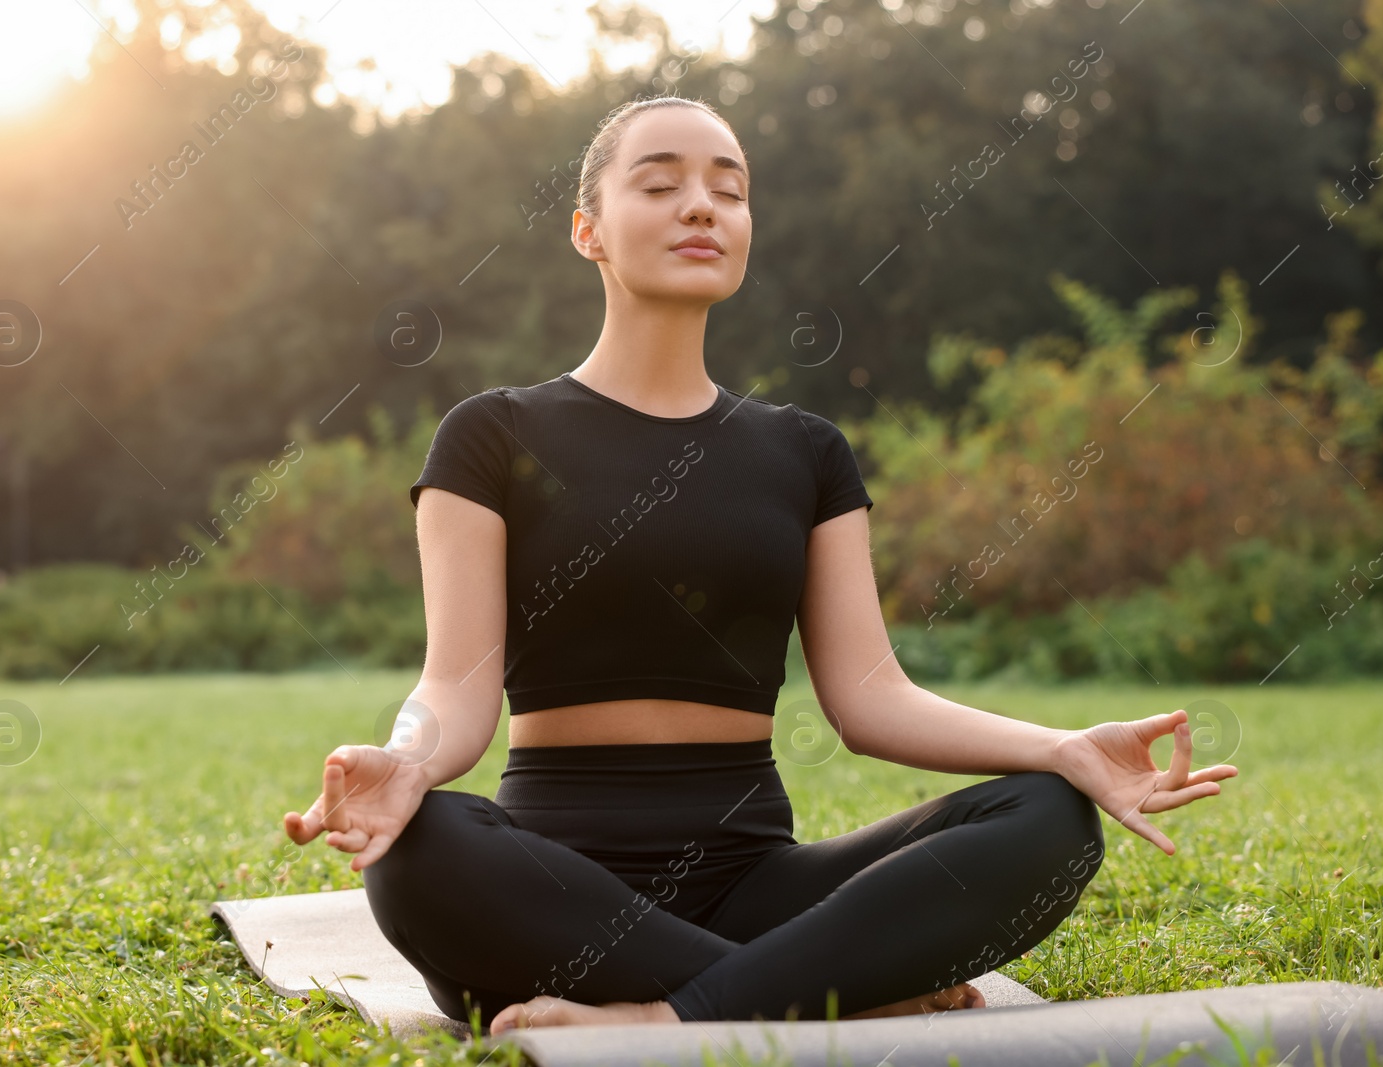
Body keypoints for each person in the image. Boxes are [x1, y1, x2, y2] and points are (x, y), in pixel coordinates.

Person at [283, 95, 1238, 1035]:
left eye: (728, 190)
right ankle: (826, 999)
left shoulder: (805, 450)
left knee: (1047, 818)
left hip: (757, 887)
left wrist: (1059, 748)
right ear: (588, 231)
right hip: (552, 899)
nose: (702, 206)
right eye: (660, 185)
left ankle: (677, 1012)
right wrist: (406, 761)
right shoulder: (492, 434)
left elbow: (872, 699)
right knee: (419, 846)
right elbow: (453, 684)